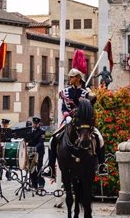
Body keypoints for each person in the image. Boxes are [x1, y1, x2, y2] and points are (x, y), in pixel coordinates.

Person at [45, 50, 108, 178]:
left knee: (99, 139)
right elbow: (63, 107)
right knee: (53, 139)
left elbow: (90, 108)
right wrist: (66, 115)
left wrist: (88, 98)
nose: (70, 79)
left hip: (83, 122)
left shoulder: (87, 93)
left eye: (72, 77)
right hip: (68, 120)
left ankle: (101, 165)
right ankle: (50, 167)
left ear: (78, 78)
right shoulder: (66, 92)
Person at [26, 117, 45, 189]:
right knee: (31, 168)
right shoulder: (29, 131)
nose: (35, 125)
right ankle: (34, 184)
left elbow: (41, 142)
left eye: (36, 124)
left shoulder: (42, 131)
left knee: (39, 167)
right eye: (34, 123)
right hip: (31, 152)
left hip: (39, 152)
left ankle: (41, 183)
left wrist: (35, 148)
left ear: (38, 124)